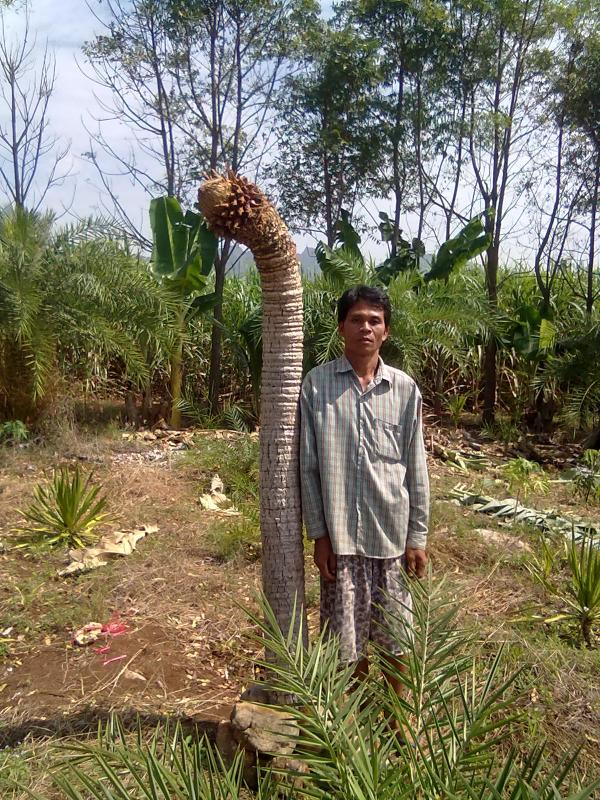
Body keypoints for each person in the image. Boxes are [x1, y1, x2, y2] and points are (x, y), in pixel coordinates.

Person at [299, 284, 429, 723]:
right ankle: (351, 726)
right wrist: (319, 535)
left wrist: (417, 536)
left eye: (374, 320)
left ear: (386, 331)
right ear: (341, 328)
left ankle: (400, 724)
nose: (366, 328)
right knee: (345, 645)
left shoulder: (405, 390)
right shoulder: (316, 386)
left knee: (397, 641)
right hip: (342, 542)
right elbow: (309, 467)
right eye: (356, 319)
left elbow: (416, 466)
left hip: (392, 540)